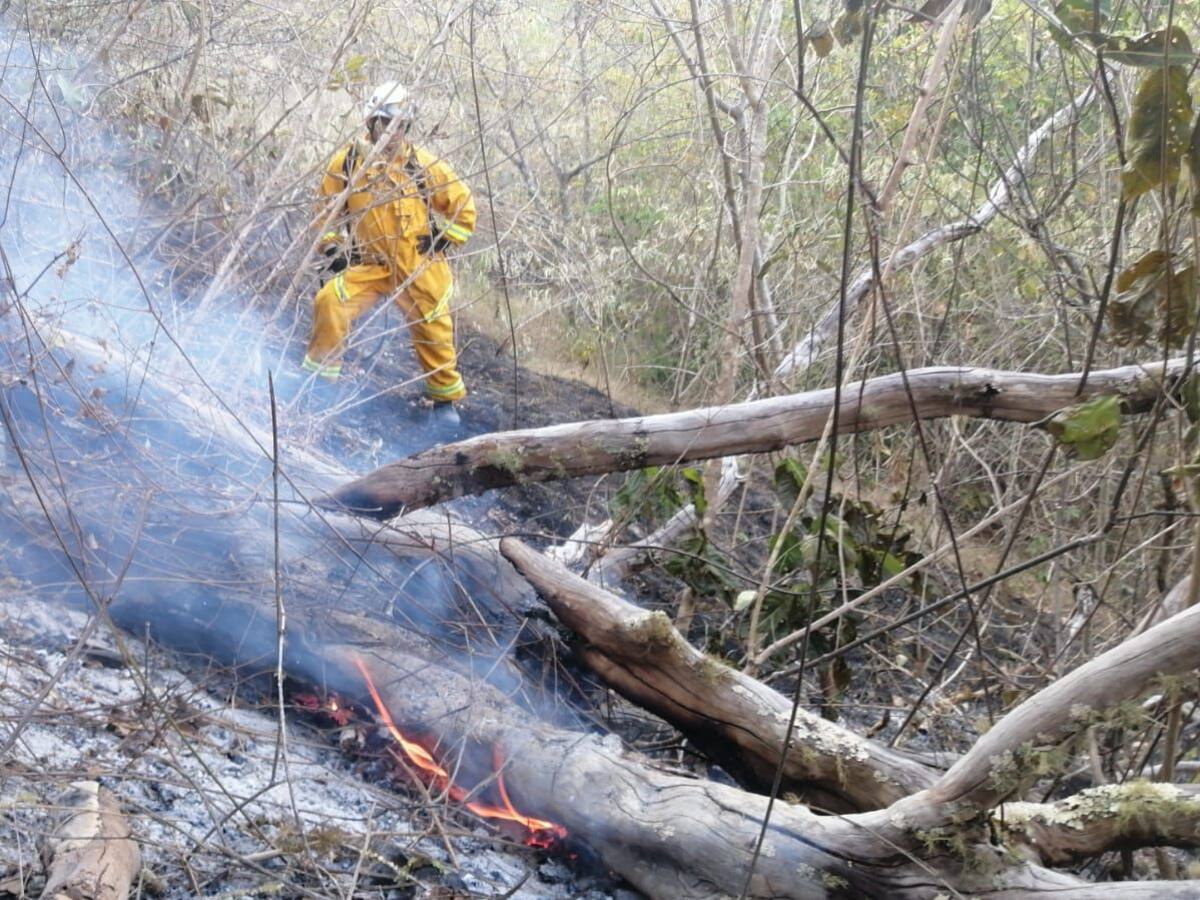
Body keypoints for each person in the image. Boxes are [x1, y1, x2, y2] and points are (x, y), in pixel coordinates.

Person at [303, 80, 475, 430]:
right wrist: (333, 247)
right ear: (371, 123)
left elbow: (463, 205)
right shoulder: (349, 164)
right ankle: (321, 386)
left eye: (401, 126)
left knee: (433, 325)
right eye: (386, 124)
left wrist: (445, 238)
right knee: (330, 302)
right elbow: (325, 212)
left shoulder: (423, 165)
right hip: (370, 264)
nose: (393, 133)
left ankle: (444, 402)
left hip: (417, 265)